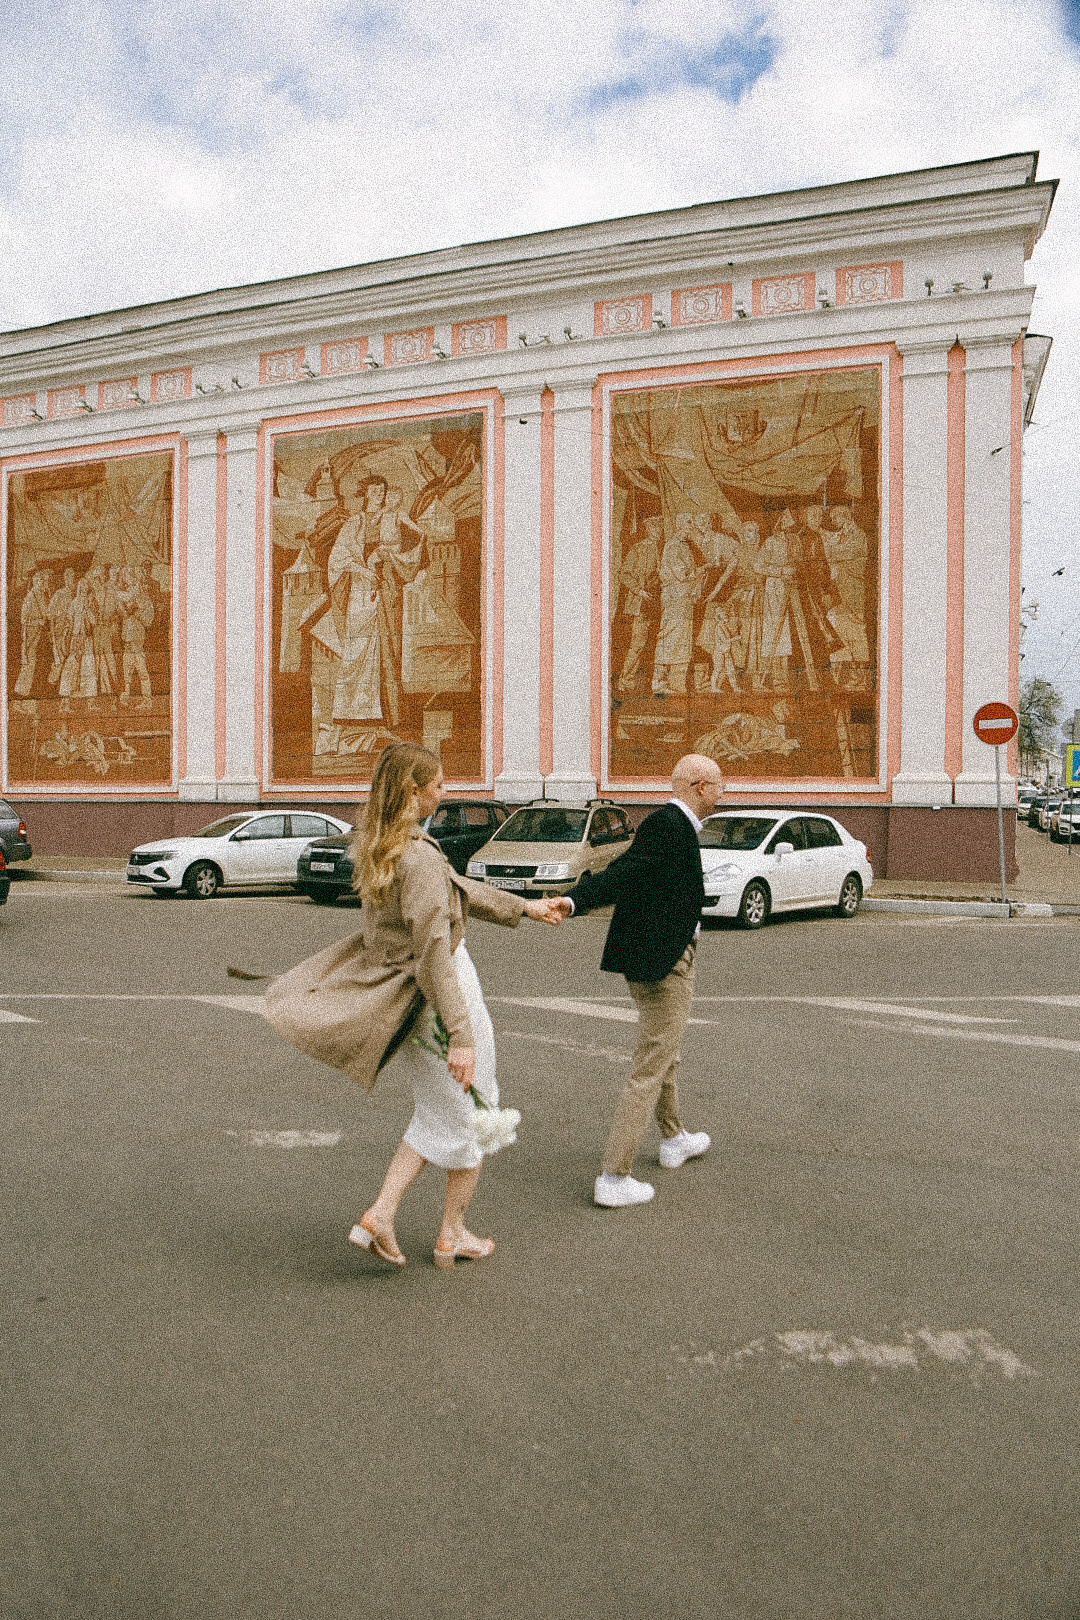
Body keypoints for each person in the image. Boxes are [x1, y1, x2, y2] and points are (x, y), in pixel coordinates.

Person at [262, 742, 565, 1268]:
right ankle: (452, 1234)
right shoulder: (420, 857)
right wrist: (462, 1035)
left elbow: (455, 888)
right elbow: (432, 951)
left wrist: (526, 907)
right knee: (477, 1109)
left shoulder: (383, 845)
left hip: (405, 998)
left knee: (438, 1109)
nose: (445, 793)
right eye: (439, 785)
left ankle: (381, 1214)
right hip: (439, 996)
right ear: (413, 790)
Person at [556, 753, 722, 1207]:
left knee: (665, 1053)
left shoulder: (676, 828)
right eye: (720, 786)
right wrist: (574, 901)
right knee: (651, 1064)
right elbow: (623, 873)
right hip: (665, 964)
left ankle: (673, 1138)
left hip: (660, 956)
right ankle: (614, 1175)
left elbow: (653, 882)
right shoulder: (668, 825)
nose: (724, 795)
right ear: (700, 786)